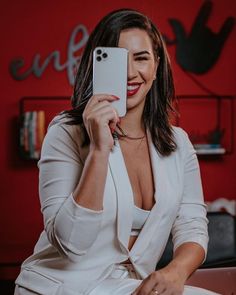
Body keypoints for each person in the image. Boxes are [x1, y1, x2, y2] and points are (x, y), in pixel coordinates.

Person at [14, 9, 219, 295]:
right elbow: (71, 244)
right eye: (118, 59)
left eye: (141, 58)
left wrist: (175, 272)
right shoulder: (65, 131)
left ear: (157, 64)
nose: (130, 72)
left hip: (132, 286)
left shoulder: (178, 143)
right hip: (62, 287)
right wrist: (99, 149)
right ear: (97, 66)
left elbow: (193, 226)